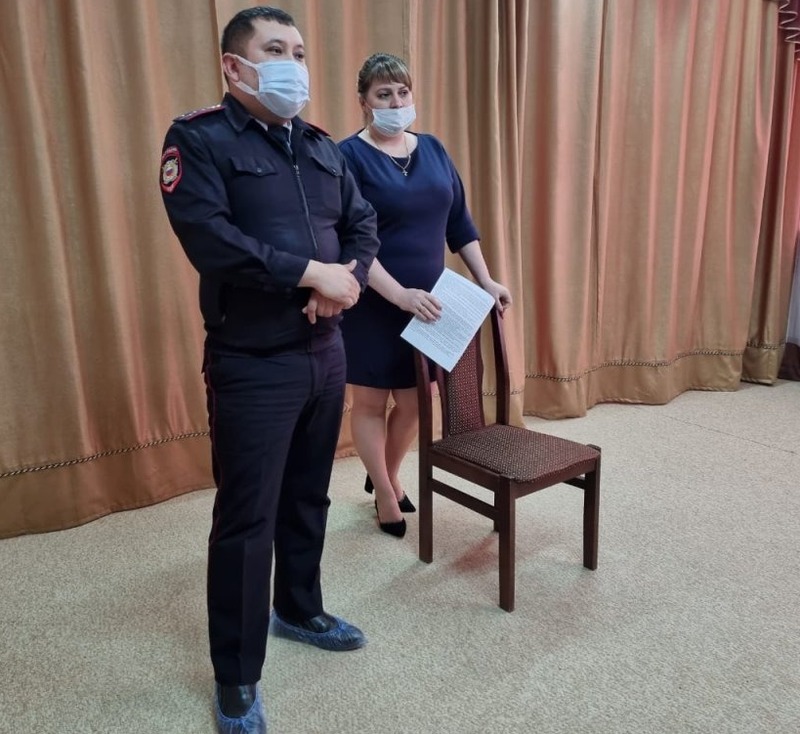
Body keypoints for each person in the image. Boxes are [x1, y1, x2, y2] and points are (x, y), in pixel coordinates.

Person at [159, 7, 381, 733]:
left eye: (300, 51)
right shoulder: (199, 139)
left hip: (325, 349)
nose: (294, 64)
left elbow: (363, 224)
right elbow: (211, 239)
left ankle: (300, 609)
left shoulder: (319, 146)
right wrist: (310, 274)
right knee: (247, 518)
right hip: (253, 360)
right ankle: (236, 676)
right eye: (276, 50)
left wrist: (345, 281)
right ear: (235, 66)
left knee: (309, 495)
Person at [338, 53, 512, 539]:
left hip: (429, 306)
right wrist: (398, 295)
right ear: (364, 101)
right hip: (375, 300)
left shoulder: (433, 148)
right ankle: (386, 490)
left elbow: (460, 224)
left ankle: (386, 473)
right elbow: (350, 241)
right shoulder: (346, 156)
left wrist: (486, 279)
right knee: (371, 403)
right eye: (384, 94)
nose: (396, 102)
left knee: (416, 403)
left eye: (403, 92)